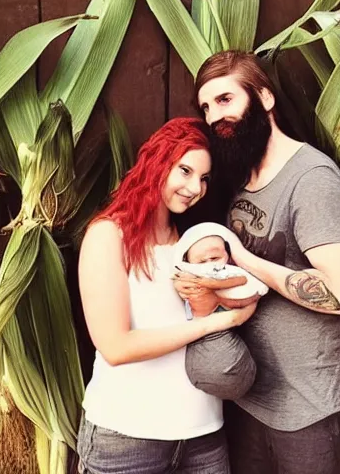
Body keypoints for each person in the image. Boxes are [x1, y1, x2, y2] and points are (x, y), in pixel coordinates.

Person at [176, 50, 340, 474]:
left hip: (308, 411)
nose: (214, 116)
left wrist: (243, 258)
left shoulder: (311, 179)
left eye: (225, 100)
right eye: (206, 107)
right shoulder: (240, 179)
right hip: (248, 401)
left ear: (265, 98)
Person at [76, 117, 256, 474]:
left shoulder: (193, 244)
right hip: (126, 440)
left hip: (204, 438)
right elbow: (116, 347)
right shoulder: (108, 236)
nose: (195, 187)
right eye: (185, 171)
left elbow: (228, 302)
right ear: (157, 162)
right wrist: (224, 320)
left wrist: (226, 305)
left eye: (204, 178)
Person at [172, 222, 268, 400]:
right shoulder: (188, 275)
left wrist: (214, 288)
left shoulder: (229, 272)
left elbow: (240, 282)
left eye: (215, 258)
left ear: (228, 256)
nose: (209, 264)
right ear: (188, 262)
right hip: (199, 342)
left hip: (226, 337)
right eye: (201, 261)